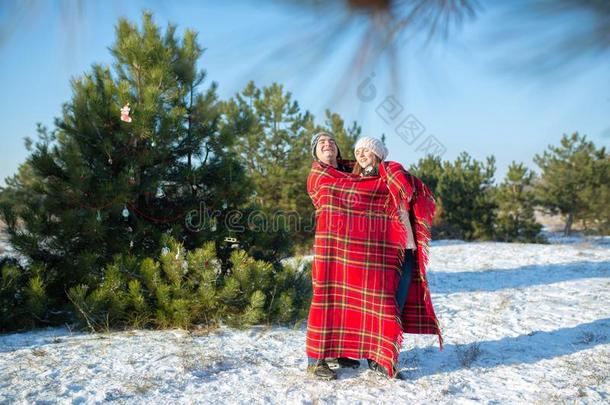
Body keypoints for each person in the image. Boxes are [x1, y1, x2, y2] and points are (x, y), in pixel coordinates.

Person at [305, 133, 443, 381]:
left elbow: (402, 189)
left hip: (371, 251)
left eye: (331, 141)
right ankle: (315, 361)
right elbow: (342, 198)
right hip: (332, 251)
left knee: (370, 305)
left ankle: (372, 355)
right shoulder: (320, 176)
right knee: (328, 301)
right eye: (321, 143)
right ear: (314, 153)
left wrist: (386, 174)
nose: (327, 144)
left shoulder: (368, 173)